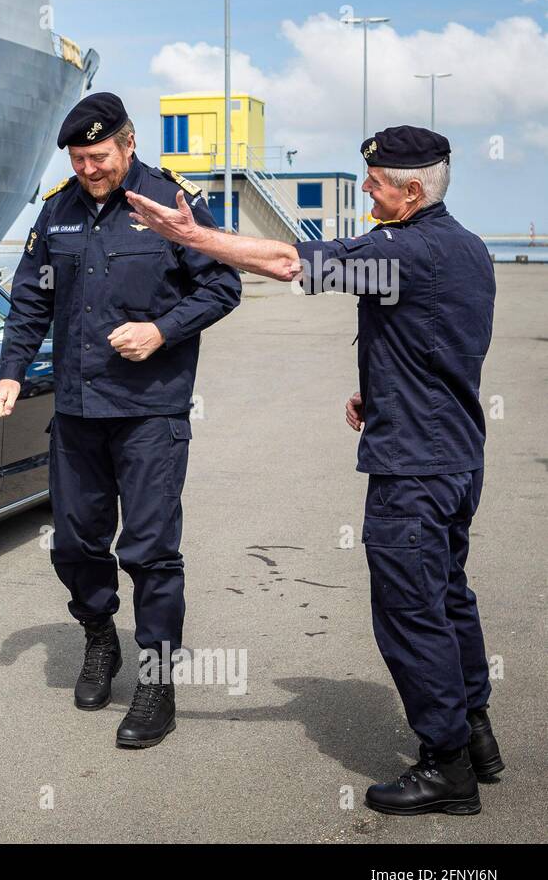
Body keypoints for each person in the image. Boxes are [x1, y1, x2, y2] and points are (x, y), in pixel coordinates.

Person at [125, 125, 501, 814]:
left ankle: (447, 766)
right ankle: (476, 734)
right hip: (454, 453)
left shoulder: (403, 250)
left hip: (412, 469)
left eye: (377, 183)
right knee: (448, 596)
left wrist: (192, 237)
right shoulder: (468, 248)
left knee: (410, 612)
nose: (366, 191)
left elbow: (288, 262)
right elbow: (441, 339)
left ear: (412, 191)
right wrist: (385, 389)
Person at [0, 92, 241, 748]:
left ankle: (157, 686)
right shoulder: (58, 211)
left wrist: (161, 330)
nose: (89, 169)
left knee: (152, 550)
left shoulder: (171, 204)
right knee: (75, 542)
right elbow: (29, 297)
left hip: (149, 412)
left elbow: (223, 285)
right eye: (78, 158)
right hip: (76, 412)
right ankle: (100, 637)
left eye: (98, 156)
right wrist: (13, 369)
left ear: (128, 145)